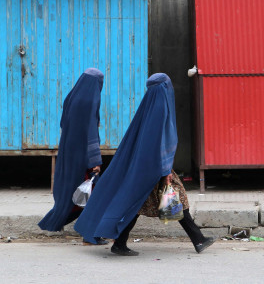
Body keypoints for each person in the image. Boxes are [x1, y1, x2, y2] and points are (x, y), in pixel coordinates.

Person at [74, 73, 214, 255]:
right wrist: (165, 171)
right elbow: (158, 143)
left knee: (140, 204)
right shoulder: (159, 110)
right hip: (155, 168)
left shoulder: (147, 107)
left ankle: (197, 239)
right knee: (160, 200)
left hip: (146, 168)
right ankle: (197, 239)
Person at [38, 68, 108, 245]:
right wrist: (95, 162)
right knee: (96, 195)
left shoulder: (72, 97)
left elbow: (63, 123)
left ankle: (56, 221)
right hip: (83, 156)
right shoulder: (89, 100)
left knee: (75, 191)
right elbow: (91, 132)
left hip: (69, 151)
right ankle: (89, 235)